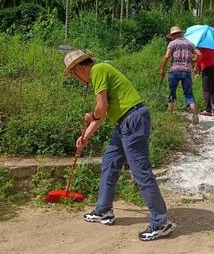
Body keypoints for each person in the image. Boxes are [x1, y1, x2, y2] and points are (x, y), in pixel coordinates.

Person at [63, 50, 173, 241]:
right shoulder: (100, 73)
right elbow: (102, 114)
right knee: (110, 163)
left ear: (79, 68)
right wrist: (85, 137)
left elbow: (100, 109)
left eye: (74, 75)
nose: (78, 79)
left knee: (140, 171)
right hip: (124, 123)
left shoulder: (98, 70)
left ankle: (161, 222)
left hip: (133, 120)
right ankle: (104, 210)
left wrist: (93, 115)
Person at [159, 26, 201, 125]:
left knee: (172, 93)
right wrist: (194, 60)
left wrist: (162, 68)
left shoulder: (172, 43)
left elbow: (167, 56)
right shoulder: (189, 43)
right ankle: (195, 114)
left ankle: (169, 117)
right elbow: (199, 54)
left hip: (174, 71)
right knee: (189, 94)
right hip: (186, 71)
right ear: (181, 33)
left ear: (173, 35)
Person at [196, 46, 214, 116]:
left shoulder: (202, 47)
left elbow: (199, 58)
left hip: (206, 69)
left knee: (206, 89)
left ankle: (208, 110)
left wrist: (197, 67)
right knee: (212, 89)